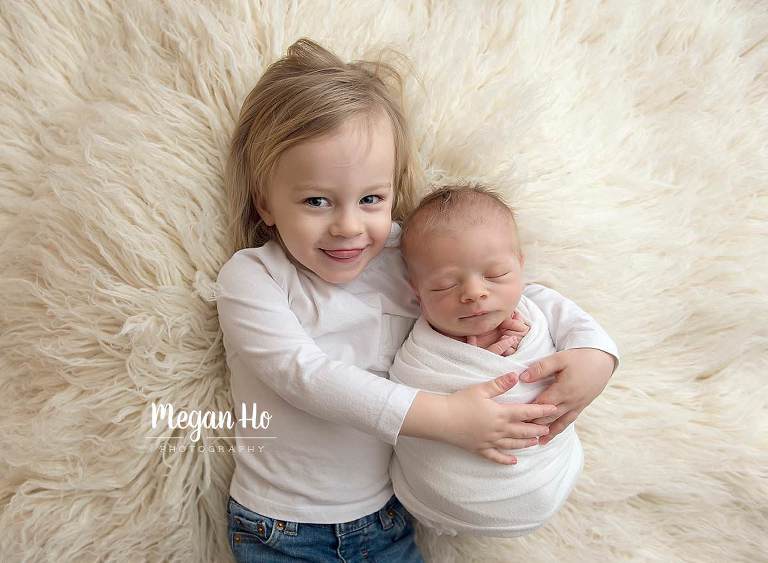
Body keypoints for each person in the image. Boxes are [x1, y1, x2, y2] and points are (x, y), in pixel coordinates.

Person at [215, 38, 619, 563]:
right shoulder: (254, 277)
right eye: (316, 201)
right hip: (283, 526)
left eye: (371, 199)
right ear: (265, 200)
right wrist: (446, 419)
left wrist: (596, 353)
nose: (348, 226)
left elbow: (512, 286)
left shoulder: (401, 254)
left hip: (388, 516)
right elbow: (304, 376)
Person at [390, 183, 610, 537]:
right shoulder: (422, 351)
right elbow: (400, 404)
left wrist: (597, 363)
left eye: (495, 275)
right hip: (444, 495)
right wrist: (471, 377)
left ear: (521, 266)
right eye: (445, 285)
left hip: (545, 474)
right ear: (416, 292)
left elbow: (592, 338)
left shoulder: (539, 306)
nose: (474, 293)